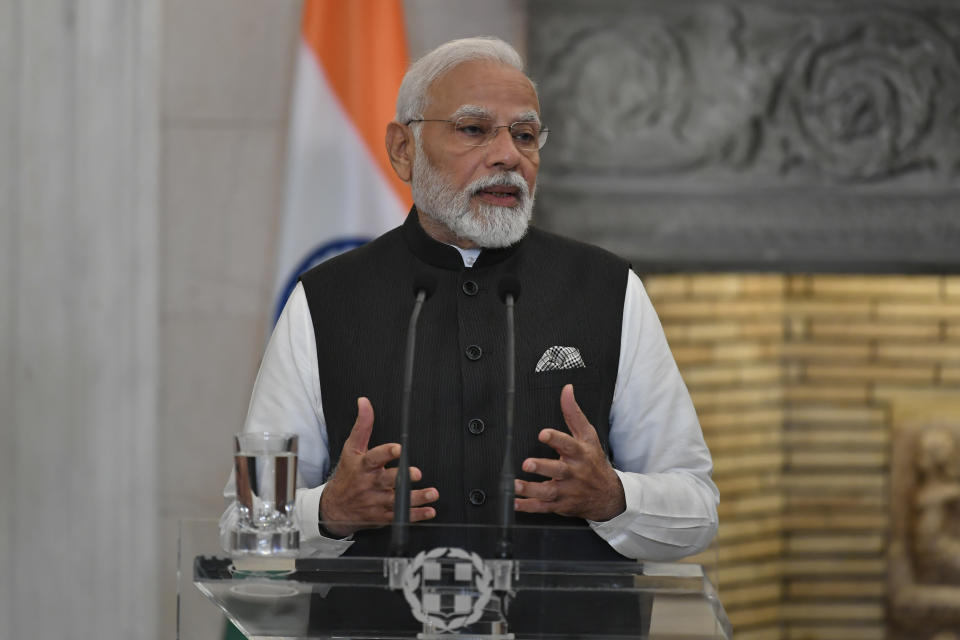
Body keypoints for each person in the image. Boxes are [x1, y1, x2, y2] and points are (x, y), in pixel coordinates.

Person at [222, 36, 718, 561]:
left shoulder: (607, 288)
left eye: (525, 135)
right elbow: (242, 524)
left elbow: (697, 509)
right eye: (474, 129)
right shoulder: (323, 301)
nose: (508, 156)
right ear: (402, 149)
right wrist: (326, 512)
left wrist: (616, 499)